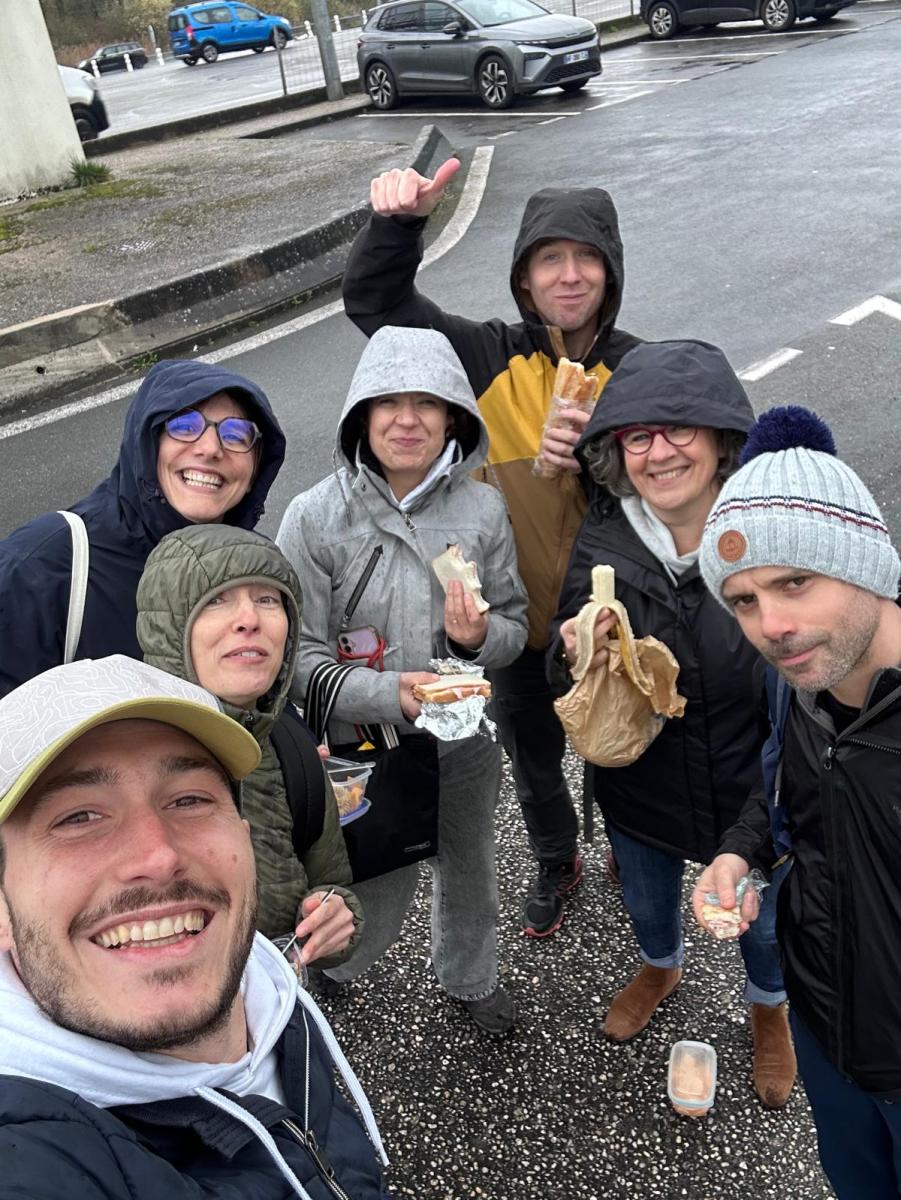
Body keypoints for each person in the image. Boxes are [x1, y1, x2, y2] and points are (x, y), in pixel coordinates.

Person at [342, 160, 641, 937]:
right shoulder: (482, 356)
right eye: (550, 258)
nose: (568, 275)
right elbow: (377, 304)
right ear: (523, 278)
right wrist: (397, 225)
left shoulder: (638, 369)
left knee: (620, 746)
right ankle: (556, 857)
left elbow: (680, 485)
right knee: (533, 758)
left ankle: (629, 844)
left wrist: (599, 459)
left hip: (608, 622)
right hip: (509, 624)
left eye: (586, 257)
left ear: (609, 272)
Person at [0, 655, 391, 1199]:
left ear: (243, 837)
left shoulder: (271, 997)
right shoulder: (30, 1160)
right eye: (78, 817)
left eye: (189, 799)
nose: (158, 856)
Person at [547, 340, 795, 1108]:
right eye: (637, 435)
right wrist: (573, 654)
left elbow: (812, 685)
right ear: (615, 450)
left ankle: (768, 1007)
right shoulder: (603, 534)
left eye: (679, 428)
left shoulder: (770, 532)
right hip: (640, 785)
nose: (658, 452)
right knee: (648, 903)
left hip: (749, 789)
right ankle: (661, 965)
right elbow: (563, 651)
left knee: (761, 923)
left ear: (721, 438)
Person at [276, 326, 528, 1034]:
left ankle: (471, 978)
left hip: (463, 744)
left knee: (471, 865)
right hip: (362, 746)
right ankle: (336, 964)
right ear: (362, 416)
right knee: (374, 872)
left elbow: (513, 626)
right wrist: (390, 694)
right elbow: (293, 658)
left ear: (453, 418)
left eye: (428, 402)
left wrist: (475, 639)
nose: (407, 419)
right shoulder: (315, 517)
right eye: (388, 402)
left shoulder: (482, 510)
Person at [693, 406, 901, 1196]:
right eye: (743, 601)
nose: (771, 627)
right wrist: (738, 851)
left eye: (793, 582)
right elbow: (781, 789)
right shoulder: (798, 683)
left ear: (864, 562)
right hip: (821, 1026)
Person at [137, 524, 363, 968]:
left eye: (267, 599)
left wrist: (336, 919)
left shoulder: (294, 752)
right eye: (216, 600)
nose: (249, 619)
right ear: (170, 626)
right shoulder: (109, 765)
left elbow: (331, 883)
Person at [0, 358, 285, 697]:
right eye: (184, 425)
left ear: (255, 469)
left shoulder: (255, 571)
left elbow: (266, 709)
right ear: (145, 442)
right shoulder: (43, 565)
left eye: (236, 435)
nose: (210, 448)